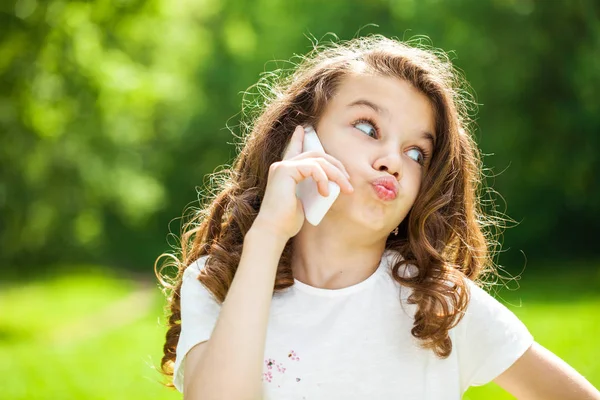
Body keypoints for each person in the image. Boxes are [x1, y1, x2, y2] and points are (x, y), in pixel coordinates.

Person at [154, 35, 600, 399]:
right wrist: (268, 233)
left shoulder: (437, 304)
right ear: (300, 141)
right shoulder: (219, 283)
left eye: (415, 152)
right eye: (368, 128)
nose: (393, 159)